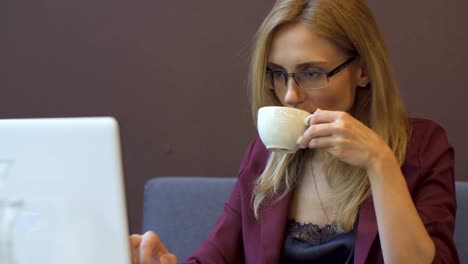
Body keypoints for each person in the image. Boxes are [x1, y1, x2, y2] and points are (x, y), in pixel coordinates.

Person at [130, 0, 459, 263]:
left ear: (363, 70)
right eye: (277, 73)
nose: (289, 95)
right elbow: (217, 254)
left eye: (312, 72)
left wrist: (379, 163)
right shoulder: (267, 155)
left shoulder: (423, 149)